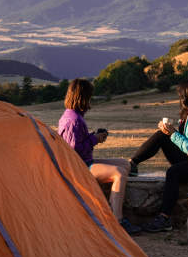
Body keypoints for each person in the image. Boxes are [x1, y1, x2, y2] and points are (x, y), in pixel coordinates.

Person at [131, 79, 188, 233]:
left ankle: (164, 218)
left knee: (173, 172)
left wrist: (173, 133)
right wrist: (169, 132)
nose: (180, 100)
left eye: (181, 96)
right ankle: (132, 163)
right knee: (161, 135)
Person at [58, 79, 141, 235]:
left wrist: (93, 136)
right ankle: (118, 221)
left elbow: (78, 142)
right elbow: (73, 150)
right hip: (77, 166)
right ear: (83, 97)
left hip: (84, 161)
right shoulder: (73, 120)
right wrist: (95, 139)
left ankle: (111, 208)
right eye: (90, 96)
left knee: (126, 164)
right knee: (119, 173)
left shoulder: (74, 116)